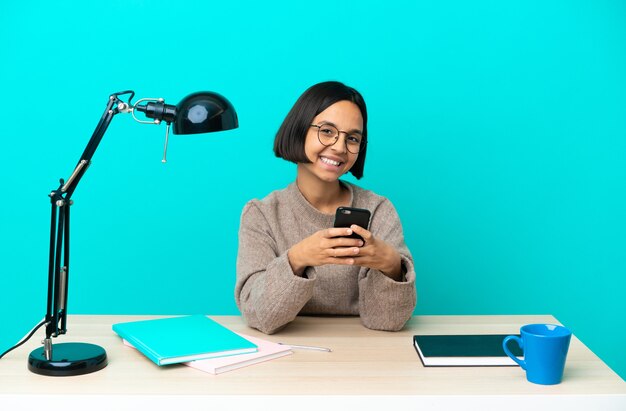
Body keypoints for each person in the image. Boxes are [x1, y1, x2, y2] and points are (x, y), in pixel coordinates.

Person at [235, 81, 416, 334]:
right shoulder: (262, 214)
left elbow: (386, 322)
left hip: (367, 352)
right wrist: (298, 258)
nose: (340, 147)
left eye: (352, 138)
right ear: (299, 130)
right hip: (287, 353)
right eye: (327, 131)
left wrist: (392, 266)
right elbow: (260, 316)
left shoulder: (378, 210)